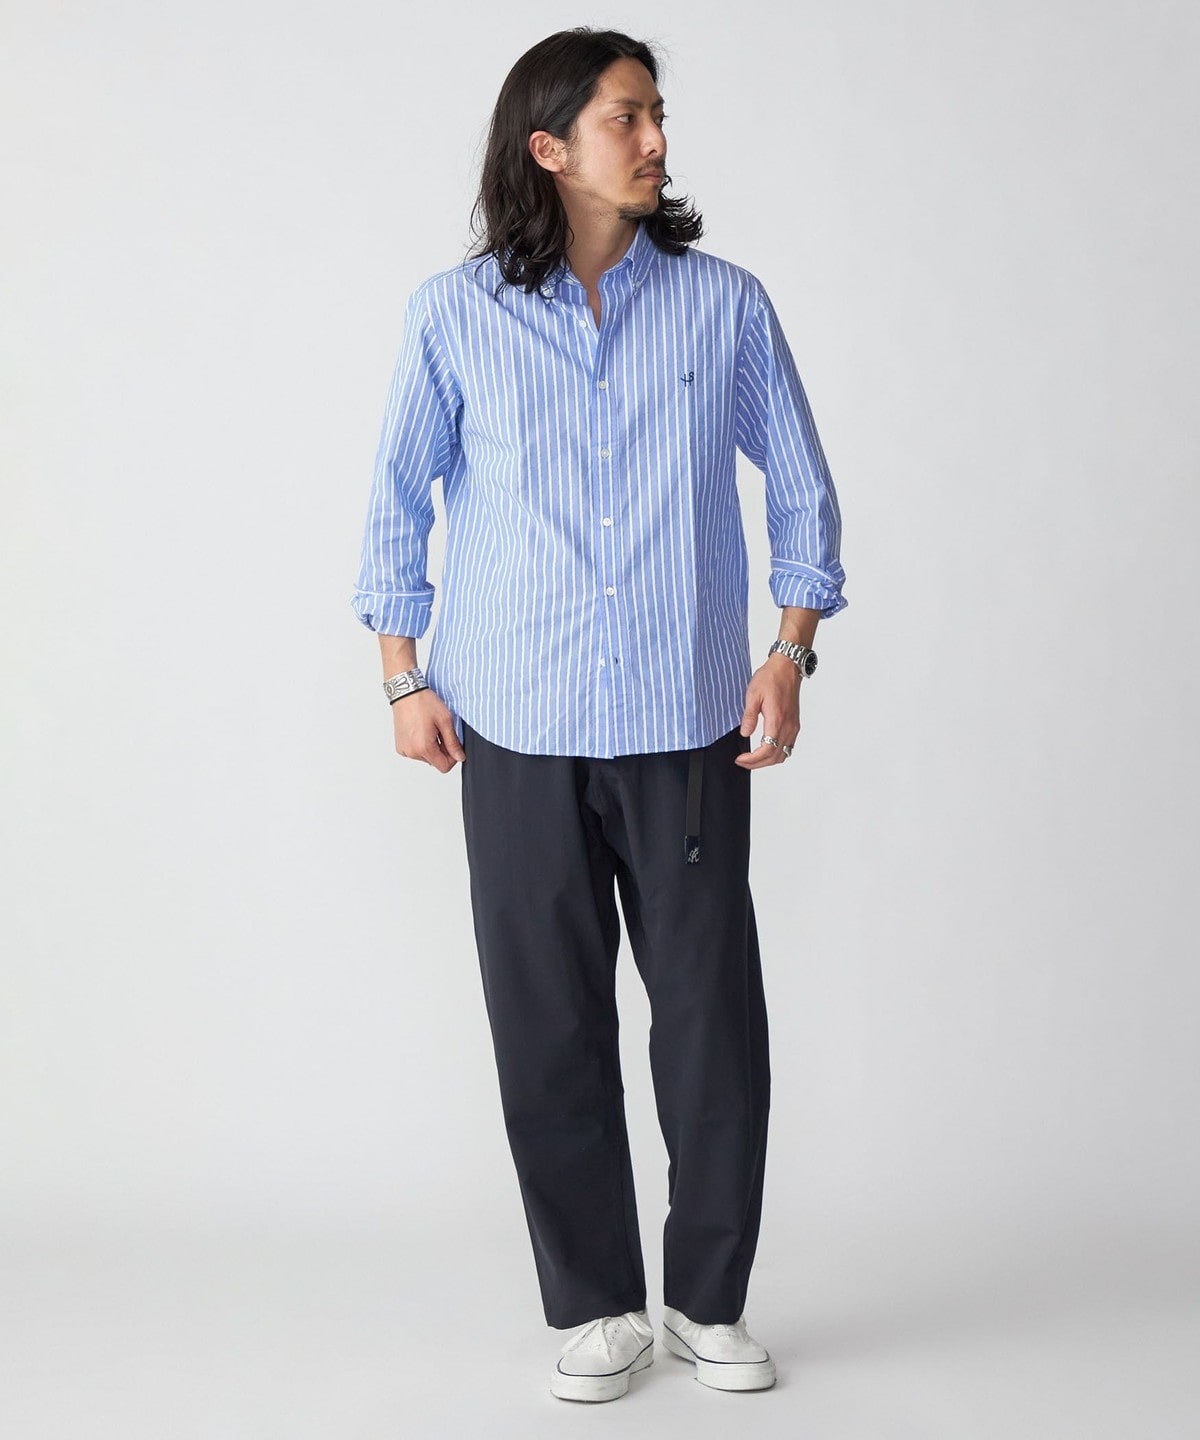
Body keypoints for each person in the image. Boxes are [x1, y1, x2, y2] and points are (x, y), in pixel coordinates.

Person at [350, 26, 847, 1403]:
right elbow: (394, 502)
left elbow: (803, 484)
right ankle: (596, 1307)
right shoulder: (452, 316)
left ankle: (708, 1301)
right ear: (550, 147)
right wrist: (401, 675)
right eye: (628, 117)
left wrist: (789, 651)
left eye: (657, 113)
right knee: (548, 1026)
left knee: (710, 1023)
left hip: (689, 727)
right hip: (512, 728)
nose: (657, 139)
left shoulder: (724, 305)